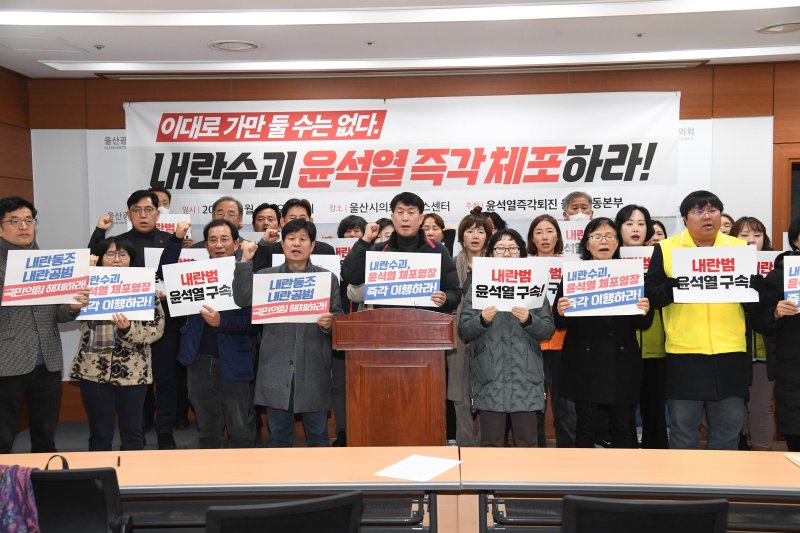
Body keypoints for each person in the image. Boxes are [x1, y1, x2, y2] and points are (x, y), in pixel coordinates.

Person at [645, 190, 750, 450]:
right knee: (683, 431)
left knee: (728, 429)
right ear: (684, 219)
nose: (706, 216)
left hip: (730, 351)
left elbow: (752, 298)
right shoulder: (666, 249)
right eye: (698, 211)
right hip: (684, 353)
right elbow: (651, 295)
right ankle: (686, 479)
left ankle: (723, 477)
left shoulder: (738, 249)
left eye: (713, 210)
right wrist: (673, 288)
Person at [233, 219, 343, 447]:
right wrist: (245, 261)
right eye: (291, 239)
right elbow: (242, 299)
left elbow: (338, 317)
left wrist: (330, 322)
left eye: (303, 239)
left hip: (313, 368)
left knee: (319, 438)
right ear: (282, 245)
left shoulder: (326, 278)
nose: (296, 244)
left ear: (312, 246)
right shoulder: (267, 276)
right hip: (276, 369)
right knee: (278, 439)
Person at [90, 190, 184, 449]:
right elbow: (92, 264)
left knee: (165, 380)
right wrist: (99, 232)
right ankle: (138, 433)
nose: (143, 215)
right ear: (128, 214)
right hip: (124, 325)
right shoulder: (119, 243)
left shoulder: (172, 241)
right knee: (133, 381)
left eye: (149, 210)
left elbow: (181, 277)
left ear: (158, 213)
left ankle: (165, 433)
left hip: (162, 322)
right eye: (136, 210)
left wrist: (167, 291)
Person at [0, 196, 89, 454]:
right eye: (14, 221)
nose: (24, 226)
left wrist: (72, 307)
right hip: (7, 360)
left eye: (29, 220)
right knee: (3, 436)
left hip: (48, 360)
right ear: (1, 228)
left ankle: (44, 478)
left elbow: (58, 314)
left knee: (45, 436)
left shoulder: (50, 262)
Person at [554, 217, 653, 448]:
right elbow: (559, 323)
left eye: (609, 236)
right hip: (585, 362)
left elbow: (644, 324)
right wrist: (560, 310)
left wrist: (645, 310)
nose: (603, 241)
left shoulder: (631, 274)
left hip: (621, 361)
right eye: (597, 237)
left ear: (618, 243)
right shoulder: (575, 275)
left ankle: (625, 472)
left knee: (623, 426)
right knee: (585, 426)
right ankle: (586, 472)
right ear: (587, 244)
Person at [459, 228, 554, 447]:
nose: (507, 253)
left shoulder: (533, 284)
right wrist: (482, 320)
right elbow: (464, 329)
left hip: (525, 377)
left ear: (521, 253)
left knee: (527, 443)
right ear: (491, 253)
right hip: (489, 375)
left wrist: (529, 320)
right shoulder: (479, 285)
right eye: (500, 248)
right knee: (491, 444)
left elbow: (548, 329)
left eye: (513, 248)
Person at [70, 237, 165, 451]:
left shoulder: (145, 288)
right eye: (110, 254)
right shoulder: (87, 287)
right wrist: (76, 302)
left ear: (131, 259)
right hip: (94, 371)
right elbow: (68, 314)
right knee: (99, 434)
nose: (117, 260)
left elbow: (156, 329)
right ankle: (99, 474)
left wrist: (129, 329)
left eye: (123, 254)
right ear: (101, 258)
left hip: (134, 372)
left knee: (133, 434)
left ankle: (133, 473)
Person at [175, 220, 256, 449]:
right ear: (206, 245)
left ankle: (243, 471)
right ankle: (210, 471)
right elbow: (163, 271)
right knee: (207, 428)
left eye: (224, 239)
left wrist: (222, 322)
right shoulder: (191, 274)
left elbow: (253, 323)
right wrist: (174, 240)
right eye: (213, 240)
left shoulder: (247, 274)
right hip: (198, 359)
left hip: (234, 358)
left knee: (239, 427)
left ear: (236, 243)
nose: (218, 245)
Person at [341, 192, 462, 313]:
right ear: (393, 218)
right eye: (400, 212)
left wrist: (445, 299)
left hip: (427, 322)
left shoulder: (437, 249)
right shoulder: (379, 250)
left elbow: (454, 292)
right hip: (387, 321)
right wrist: (365, 240)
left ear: (420, 219)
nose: (405, 218)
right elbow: (350, 276)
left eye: (411, 212)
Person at [616, 204, 668, 449]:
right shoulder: (609, 258)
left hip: (657, 345)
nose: (635, 229)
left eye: (640, 224)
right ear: (619, 228)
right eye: (629, 224)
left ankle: (656, 459)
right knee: (622, 409)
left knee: (655, 409)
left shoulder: (662, 256)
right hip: (620, 348)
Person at [527, 214, 576, 448]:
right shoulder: (523, 266)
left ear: (558, 236)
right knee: (534, 405)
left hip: (563, 343)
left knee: (565, 407)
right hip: (531, 343)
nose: (545, 237)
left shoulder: (572, 265)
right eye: (539, 232)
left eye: (549, 231)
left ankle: (569, 456)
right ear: (532, 239)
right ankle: (536, 455)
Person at [752, 216, 800, 451]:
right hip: (794, 367)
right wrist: (775, 312)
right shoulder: (782, 274)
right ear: (796, 240)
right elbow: (758, 318)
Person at [732, 216, 776, 451]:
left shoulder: (776, 267)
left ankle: (763, 455)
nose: (751, 240)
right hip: (729, 349)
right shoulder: (722, 266)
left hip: (762, 351)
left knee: (760, 407)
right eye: (744, 235)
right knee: (727, 409)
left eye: (757, 235)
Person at [449, 209, 492, 447]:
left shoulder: (496, 264)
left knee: (489, 393)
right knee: (461, 397)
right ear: (461, 236)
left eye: (481, 231)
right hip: (458, 337)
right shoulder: (451, 264)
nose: (475, 236)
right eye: (470, 231)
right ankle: (464, 447)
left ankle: (488, 447)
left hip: (489, 335)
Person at [330, 214, 368, 447]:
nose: (352, 235)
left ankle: (365, 428)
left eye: (357, 231)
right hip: (338, 328)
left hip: (367, 332)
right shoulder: (331, 257)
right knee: (339, 385)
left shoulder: (373, 255)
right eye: (348, 231)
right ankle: (343, 431)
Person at [251, 198, 336, 272]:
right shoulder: (270, 250)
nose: (298, 222)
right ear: (282, 222)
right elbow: (257, 278)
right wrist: (263, 243)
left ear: (310, 221)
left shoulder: (326, 250)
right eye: (293, 218)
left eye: (302, 218)